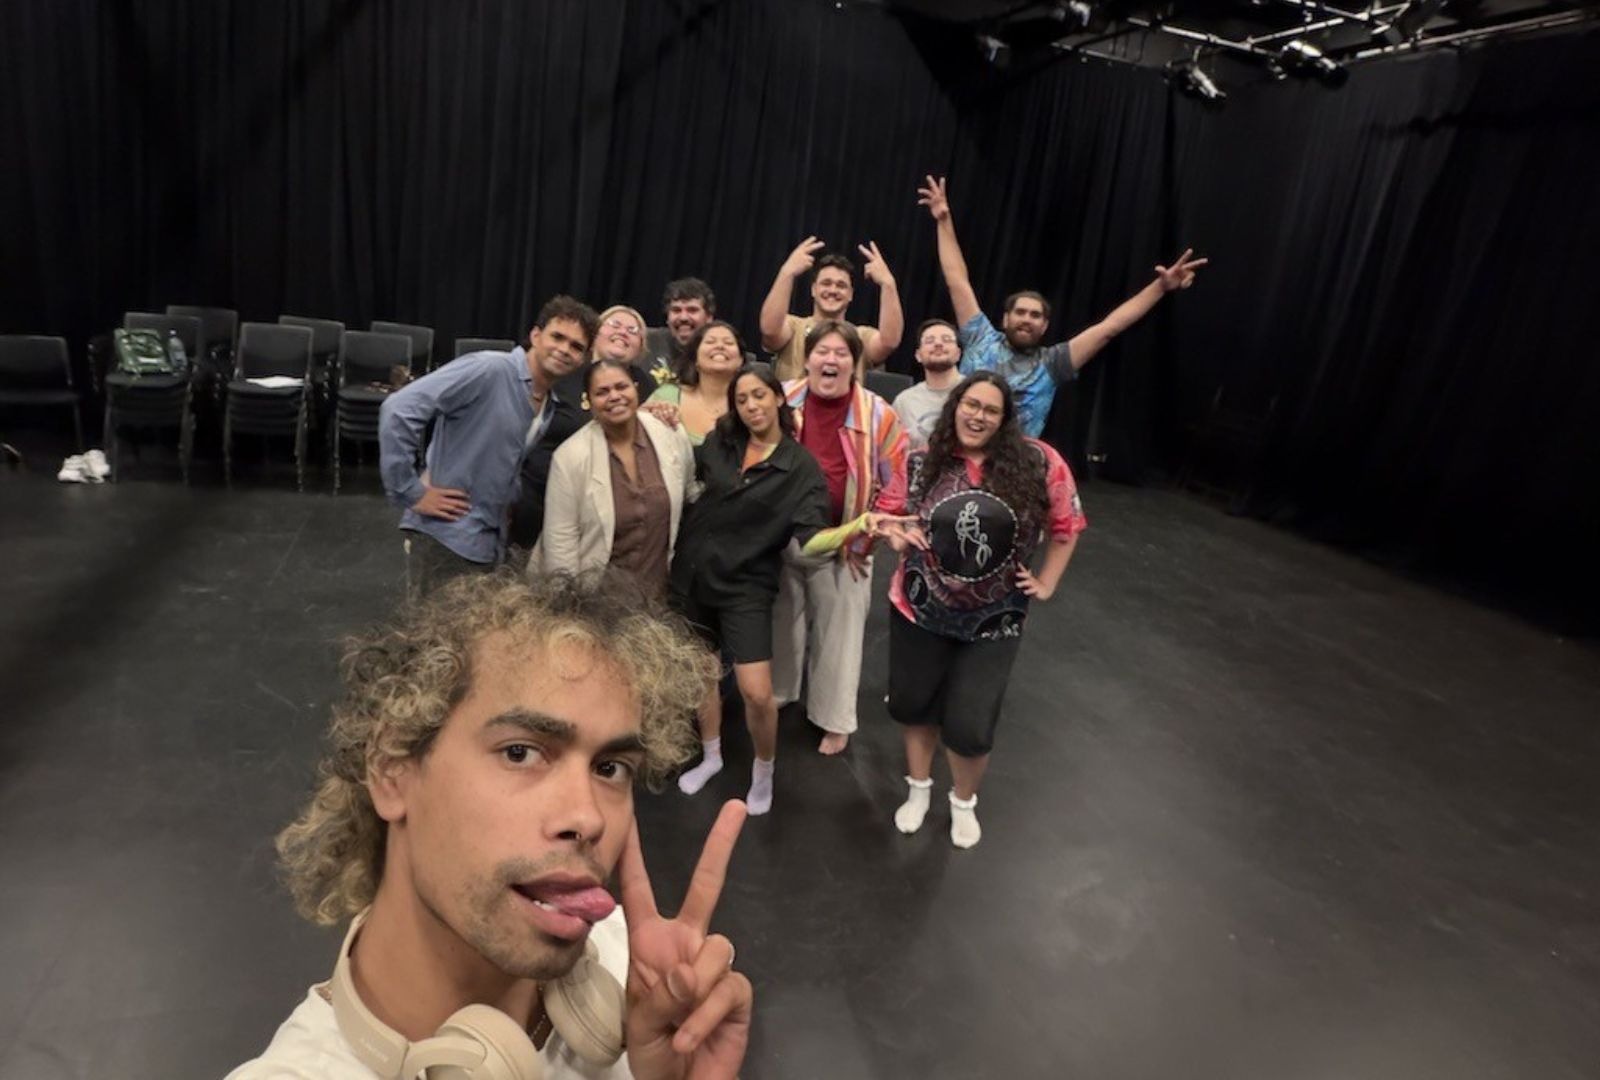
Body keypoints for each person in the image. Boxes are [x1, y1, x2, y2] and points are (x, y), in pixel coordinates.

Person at [227, 572, 754, 1079]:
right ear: (391, 769)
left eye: (609, 768)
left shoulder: (638, 975)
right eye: (521, 752)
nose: (588, 817)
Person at [672, 364, 906, 815]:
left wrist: (858, 525)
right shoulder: (722, 441)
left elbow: (810, 540)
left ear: (779, 399)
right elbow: (686, 471)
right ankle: (713, 756)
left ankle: (764, 772)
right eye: (742, 400)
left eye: (759, 396)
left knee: (756, 693)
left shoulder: (801, 468)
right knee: (702, 675)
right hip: (693, 577)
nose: (751, 406)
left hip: (746, 586)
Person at [876, 371, 1088, 849]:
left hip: (995, 619)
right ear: (955, 405)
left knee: (971, 724)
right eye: (971, 404)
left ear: (1006, 419)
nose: (978, 416)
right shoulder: (922, 460)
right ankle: (919, 789)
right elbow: (889, 516)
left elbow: (1067, 522)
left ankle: (963, 802)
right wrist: (893, 534)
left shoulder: (1038, 462)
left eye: (991, 410)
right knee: (915, 705)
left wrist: (1048, 581)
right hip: (919, 608)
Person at [917, 175, 1208, 439]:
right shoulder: (980, 338)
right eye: (1020, 312)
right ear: (1005, 319)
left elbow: (1111, 327)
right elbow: (957, 281)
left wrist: (1160, 287)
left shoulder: (1053, 363)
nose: (1026, 320)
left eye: (1035, 315)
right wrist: (944, 221)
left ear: (1045, 326)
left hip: (1012, 465)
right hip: (958, 449)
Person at [380, 296, 598, 597]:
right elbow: (399, 409)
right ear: (536, 335)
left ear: (584, 359)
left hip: (486, 546)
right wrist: (409, 492)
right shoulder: (490, 369)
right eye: (558, 336)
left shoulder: (548, 406)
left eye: (576, 346)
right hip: (444, 537)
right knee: (431, 641)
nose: (564, 349)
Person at [772, 321, 909, 756]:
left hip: (846, 543)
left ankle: (833, 719)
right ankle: (780, 692)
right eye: (822, 352)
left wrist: (865, 539)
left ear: (856, 362)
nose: (830, 361)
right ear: (807, 358)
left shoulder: (878, 413)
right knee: (782, 620)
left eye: (841, 354)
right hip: (783, 536)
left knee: (840, 634)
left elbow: (896, 482)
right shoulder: (782, 399)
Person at [507, 305, 660, 556]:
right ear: (593, 337)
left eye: (633, 330)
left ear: (641, 346)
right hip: (536, 497)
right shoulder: (564, 368)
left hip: (602, 513)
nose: (623, 332)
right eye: (614, 324)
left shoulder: (647, 384)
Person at [538, 358, 697, 600]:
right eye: (602, 392)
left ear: (636, 388)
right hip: (594, 601)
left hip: (660, 598)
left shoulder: (670, 432)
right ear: (588, 402)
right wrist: (566, 607)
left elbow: (689, 496)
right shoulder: (570, 457)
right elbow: (560, 541)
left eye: (621, 387)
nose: (614, 396)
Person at [758, 239, 904, 381]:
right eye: (826, 283)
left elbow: (889, 342)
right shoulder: (793, 327)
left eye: (841, 285)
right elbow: (769, 329)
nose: (833, 290)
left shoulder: (860, 336)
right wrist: (787, 273)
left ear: (851, 294)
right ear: (814, 289)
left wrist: (888, 283)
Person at [643, 321, 745, 446]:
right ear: (695, 358)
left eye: (728, 343)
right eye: (710, 342)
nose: (720, 346)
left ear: (741, 361)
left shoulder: (749, 403)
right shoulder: (668, 395)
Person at [891, 318, 962, 451]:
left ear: (958, 354)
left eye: (946, 340)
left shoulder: (974, 390)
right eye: (929, 341)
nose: (938, 344)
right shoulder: (904, 401)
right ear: (918, 355)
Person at [641, 278, 717, 384]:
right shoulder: (645, 341)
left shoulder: (721, 350)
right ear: (667, 317)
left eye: (692, 310)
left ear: (709, 317)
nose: (683, 318)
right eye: (676, 310)